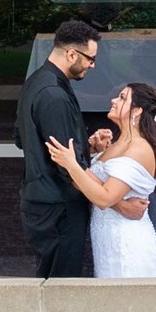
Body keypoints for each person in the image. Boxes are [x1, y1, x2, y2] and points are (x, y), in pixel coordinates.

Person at [43, 82, 156, 278]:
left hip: (126, 244)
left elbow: (103, 198)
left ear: (136, 111)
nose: (113, 100)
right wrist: (90, 150)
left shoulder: (139, 148)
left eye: (122, 97)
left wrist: (71, 164)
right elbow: (83, 183)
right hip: (108, 241)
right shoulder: (118, 143)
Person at [17, 18, 101, 278]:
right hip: (59, 209)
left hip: (43, 203)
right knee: (61, 289)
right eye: (90, 58)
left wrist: (87, 146)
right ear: (71, 53)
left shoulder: (36, 82)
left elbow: (23, 139)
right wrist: (108, 197)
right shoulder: (54, 94)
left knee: (51, 282)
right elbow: (66, 166)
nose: (92, 65)